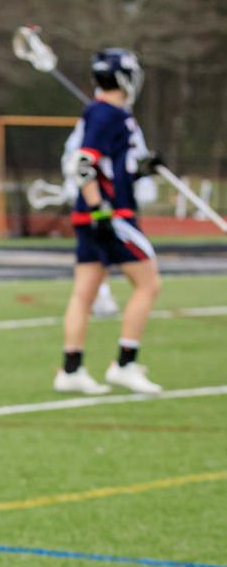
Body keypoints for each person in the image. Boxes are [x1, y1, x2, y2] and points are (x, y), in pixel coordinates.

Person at [54, 48, 164, 395]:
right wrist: (100, 208)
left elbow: (109, 167)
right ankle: (125, 363)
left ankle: (71, 369)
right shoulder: (107, 114)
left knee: (84, 292)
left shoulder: (107, 113)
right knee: (148, 284)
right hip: (111, 215)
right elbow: (83, 163)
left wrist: (140, 169)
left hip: (93, 214)